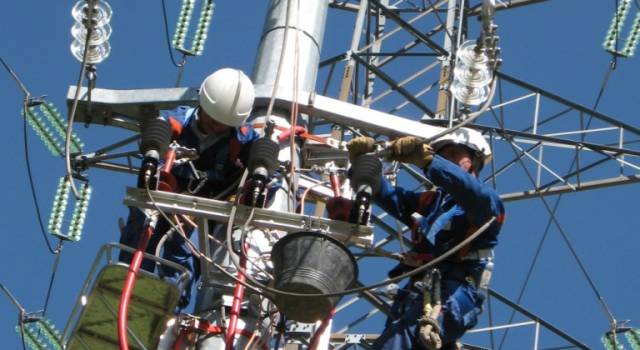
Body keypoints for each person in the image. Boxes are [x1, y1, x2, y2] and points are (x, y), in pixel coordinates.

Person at [347, 128, 505, 350]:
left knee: (398, 341)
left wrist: (431, 162)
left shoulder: (483, 204)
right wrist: (362, 165)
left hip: (453, 295)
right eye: (442, 156)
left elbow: (475, 196)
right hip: (418, 294)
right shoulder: (433, 202)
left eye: (453, 154)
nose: (446, 160)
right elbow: (388, 195)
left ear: (476, 160)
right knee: (397, 336)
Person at [119, 68, 259, 308]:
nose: (217, 127)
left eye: (223, 125)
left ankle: (168, 306)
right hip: (165, 198)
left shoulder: (244, 138)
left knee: (184, 252)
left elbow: (267, 167)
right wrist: (153, 158)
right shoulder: (176, 122)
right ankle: (126, 292)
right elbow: (158, 135)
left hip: (202, 213)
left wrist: (259, 182)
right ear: (202, 106)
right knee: (143, 227)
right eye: (213, 121)